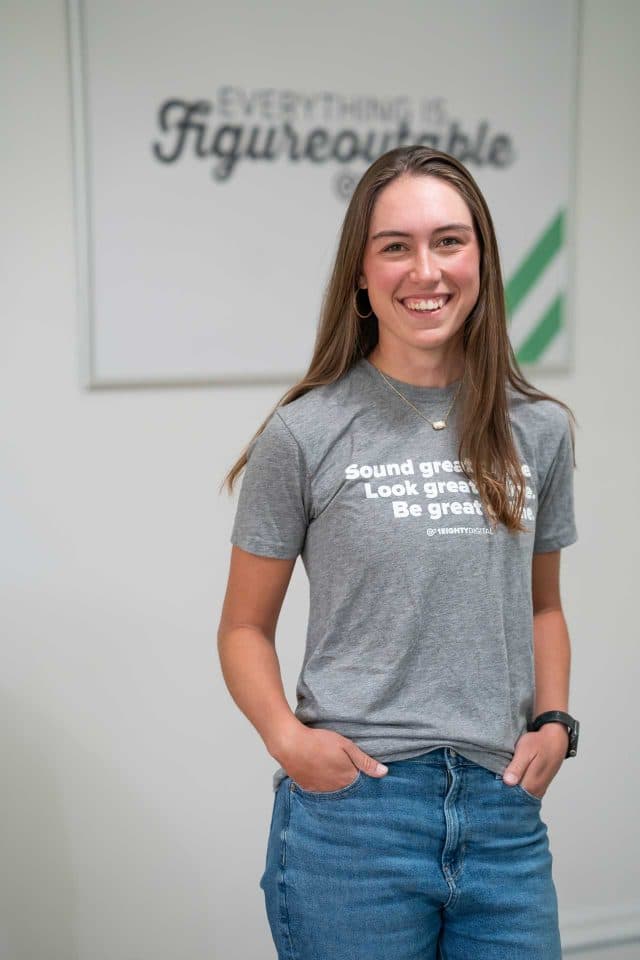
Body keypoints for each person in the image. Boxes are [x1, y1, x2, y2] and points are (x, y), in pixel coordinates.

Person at [217, 145, 579, 960]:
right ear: (361, 273)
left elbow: (543, 602)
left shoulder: (540, 429)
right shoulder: (303, 433)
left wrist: (555, 723)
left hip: (502, 815)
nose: (428, 270)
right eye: (396, 246)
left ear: (481, 257)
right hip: (357, 819)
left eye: (450, 241)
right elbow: (243, 627)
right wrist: (287, 740)